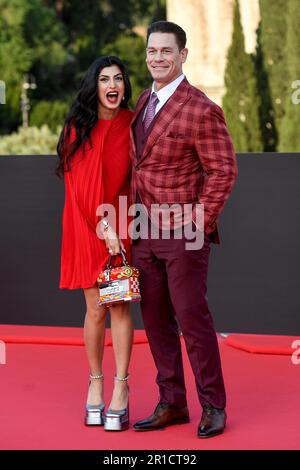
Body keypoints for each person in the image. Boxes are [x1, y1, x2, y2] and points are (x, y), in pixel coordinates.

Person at [130, 21, 238, 438]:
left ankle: (213, 405)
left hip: (184, 233)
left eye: (166, 51)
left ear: (183, 55)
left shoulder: (201, 107)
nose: (157, 58)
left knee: (193, 320)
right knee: (155, 322)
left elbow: (223, 170)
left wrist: (199, 219)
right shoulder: (143, 100)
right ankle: (172, 402)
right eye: (152, 51)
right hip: (143, 229)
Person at [56, 56, 133, 431]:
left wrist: (119, 229)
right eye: (104, 79)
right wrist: (104, 228)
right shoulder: (77, 127)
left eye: (118, 78)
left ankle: (122, 386)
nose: (112, 85)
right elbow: (80, 187)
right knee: (95, 310)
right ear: (95, 86)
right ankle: (95, 382)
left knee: (118, 306)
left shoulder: (133, 125)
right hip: (88, 229)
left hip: (120, 230)